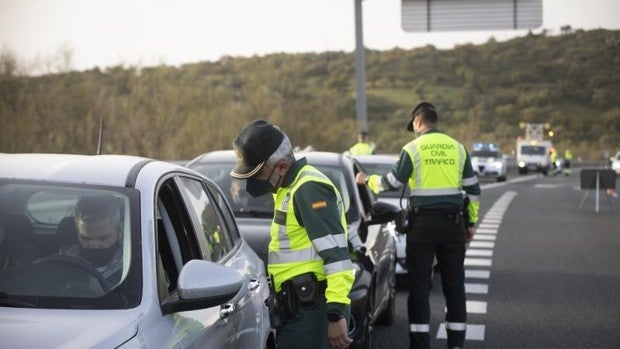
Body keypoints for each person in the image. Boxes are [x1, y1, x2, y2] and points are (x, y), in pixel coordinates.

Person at [355, 102, 481, 349]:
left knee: (419, 288)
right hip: (452, 224)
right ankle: (456, 344)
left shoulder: (413, 148)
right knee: (454, 287)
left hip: (422, 225)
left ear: (418, 122)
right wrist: (471, 222)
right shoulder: (458, 148)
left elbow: (390, 183)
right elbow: (474, 191)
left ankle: (420, 344)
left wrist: (367, 179)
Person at [230, 119, 354, 349]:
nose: (252, 181)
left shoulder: (308, 188)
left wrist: (336, 314)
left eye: (256, 173)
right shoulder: (289, 186)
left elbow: (337, 257)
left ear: (281, 167)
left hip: (314, 312)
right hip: (299, 308)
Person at [59, 195, 123, 284]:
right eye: (85, 238)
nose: (93, 245)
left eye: (103, 238)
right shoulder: (63, 260)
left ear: (120, 231)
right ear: (77, 229)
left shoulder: (133, 265)